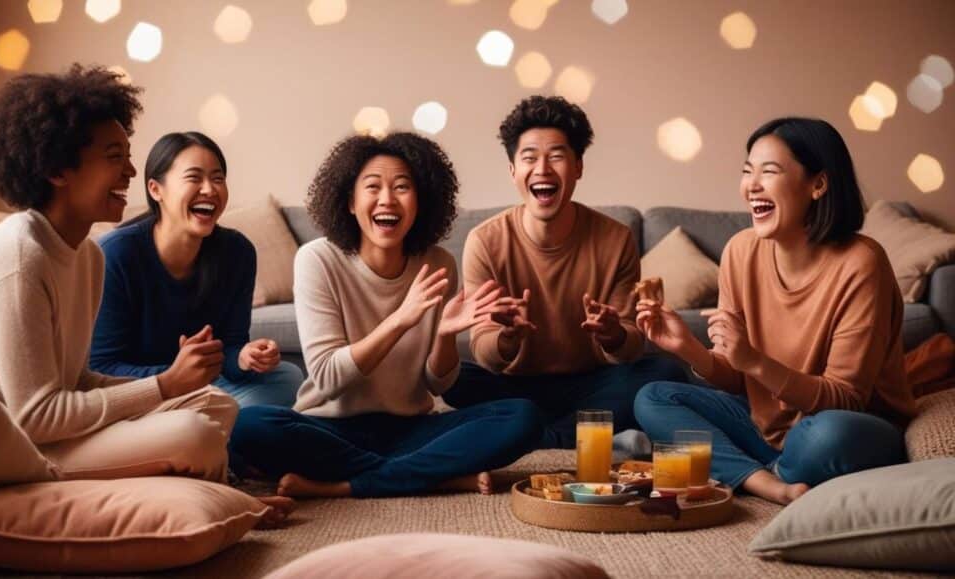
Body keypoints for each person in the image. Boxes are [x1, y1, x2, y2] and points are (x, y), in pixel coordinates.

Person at [0, 65, 292, 522]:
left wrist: (174, 385)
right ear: (57, 169)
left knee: (213, 403)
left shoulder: (87, 256)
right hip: (6, 443)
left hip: (50, 428)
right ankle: (208, 493)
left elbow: (77, 380)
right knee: (193, 434)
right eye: (113, 156)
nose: (131, 170)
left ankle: (200, 490)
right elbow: (36, 416)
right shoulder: (20, 256)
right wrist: (163, 386)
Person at [229, 132, 544, 498]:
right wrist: (400, 319)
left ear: (421, 201)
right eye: (373, 186)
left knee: (524, 416)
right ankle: (433, 475)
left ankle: (346, 485)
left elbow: (438, 385)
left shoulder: (437, 262)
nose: (387, 199)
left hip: (410, 428)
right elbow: (328, 377)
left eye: (402, 187)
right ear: (350, 201)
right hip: (330, 427)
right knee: (247, 424)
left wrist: (444, 334)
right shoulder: (317, 259)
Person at [633, 117, 916, 504]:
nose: (752, 185)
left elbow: (846, 399)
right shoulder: (740, 251)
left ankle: (737, 468)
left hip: (849, 429)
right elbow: (739, 379)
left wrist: (753, 359)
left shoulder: (861, 262)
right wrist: (690, 350)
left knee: (825, 435)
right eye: (747, 171)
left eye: (769, 171)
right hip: (764, 428)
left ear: (818, 184)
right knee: (653, 397)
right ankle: (768, 482)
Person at [442, 95, 687, 450]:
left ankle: (538, 435)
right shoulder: (485, 241)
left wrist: (614, 334)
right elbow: (483, 350)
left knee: (665, 373)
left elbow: (631, 347)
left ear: (578, 167)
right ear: (513, 171)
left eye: (556, 156)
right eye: (529, 157)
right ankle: (577, 432)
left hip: (591, 382)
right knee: (453, 379)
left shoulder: (616, 238)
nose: (542, 169)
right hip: (514, 385)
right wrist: (507, 338)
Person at [90, 131, 303, 409]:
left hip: (206, 387)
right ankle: (220, 421)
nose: (209, 189)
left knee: (288, 376)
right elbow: (101, 367)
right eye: (194, 178)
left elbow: (230, 346)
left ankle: (216, 420)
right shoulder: (115, 254)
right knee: (229, 412)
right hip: (143, 392)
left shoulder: (238, 252)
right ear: (156, 190)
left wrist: (244, 357)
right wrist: (174, 377)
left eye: (218, 179)